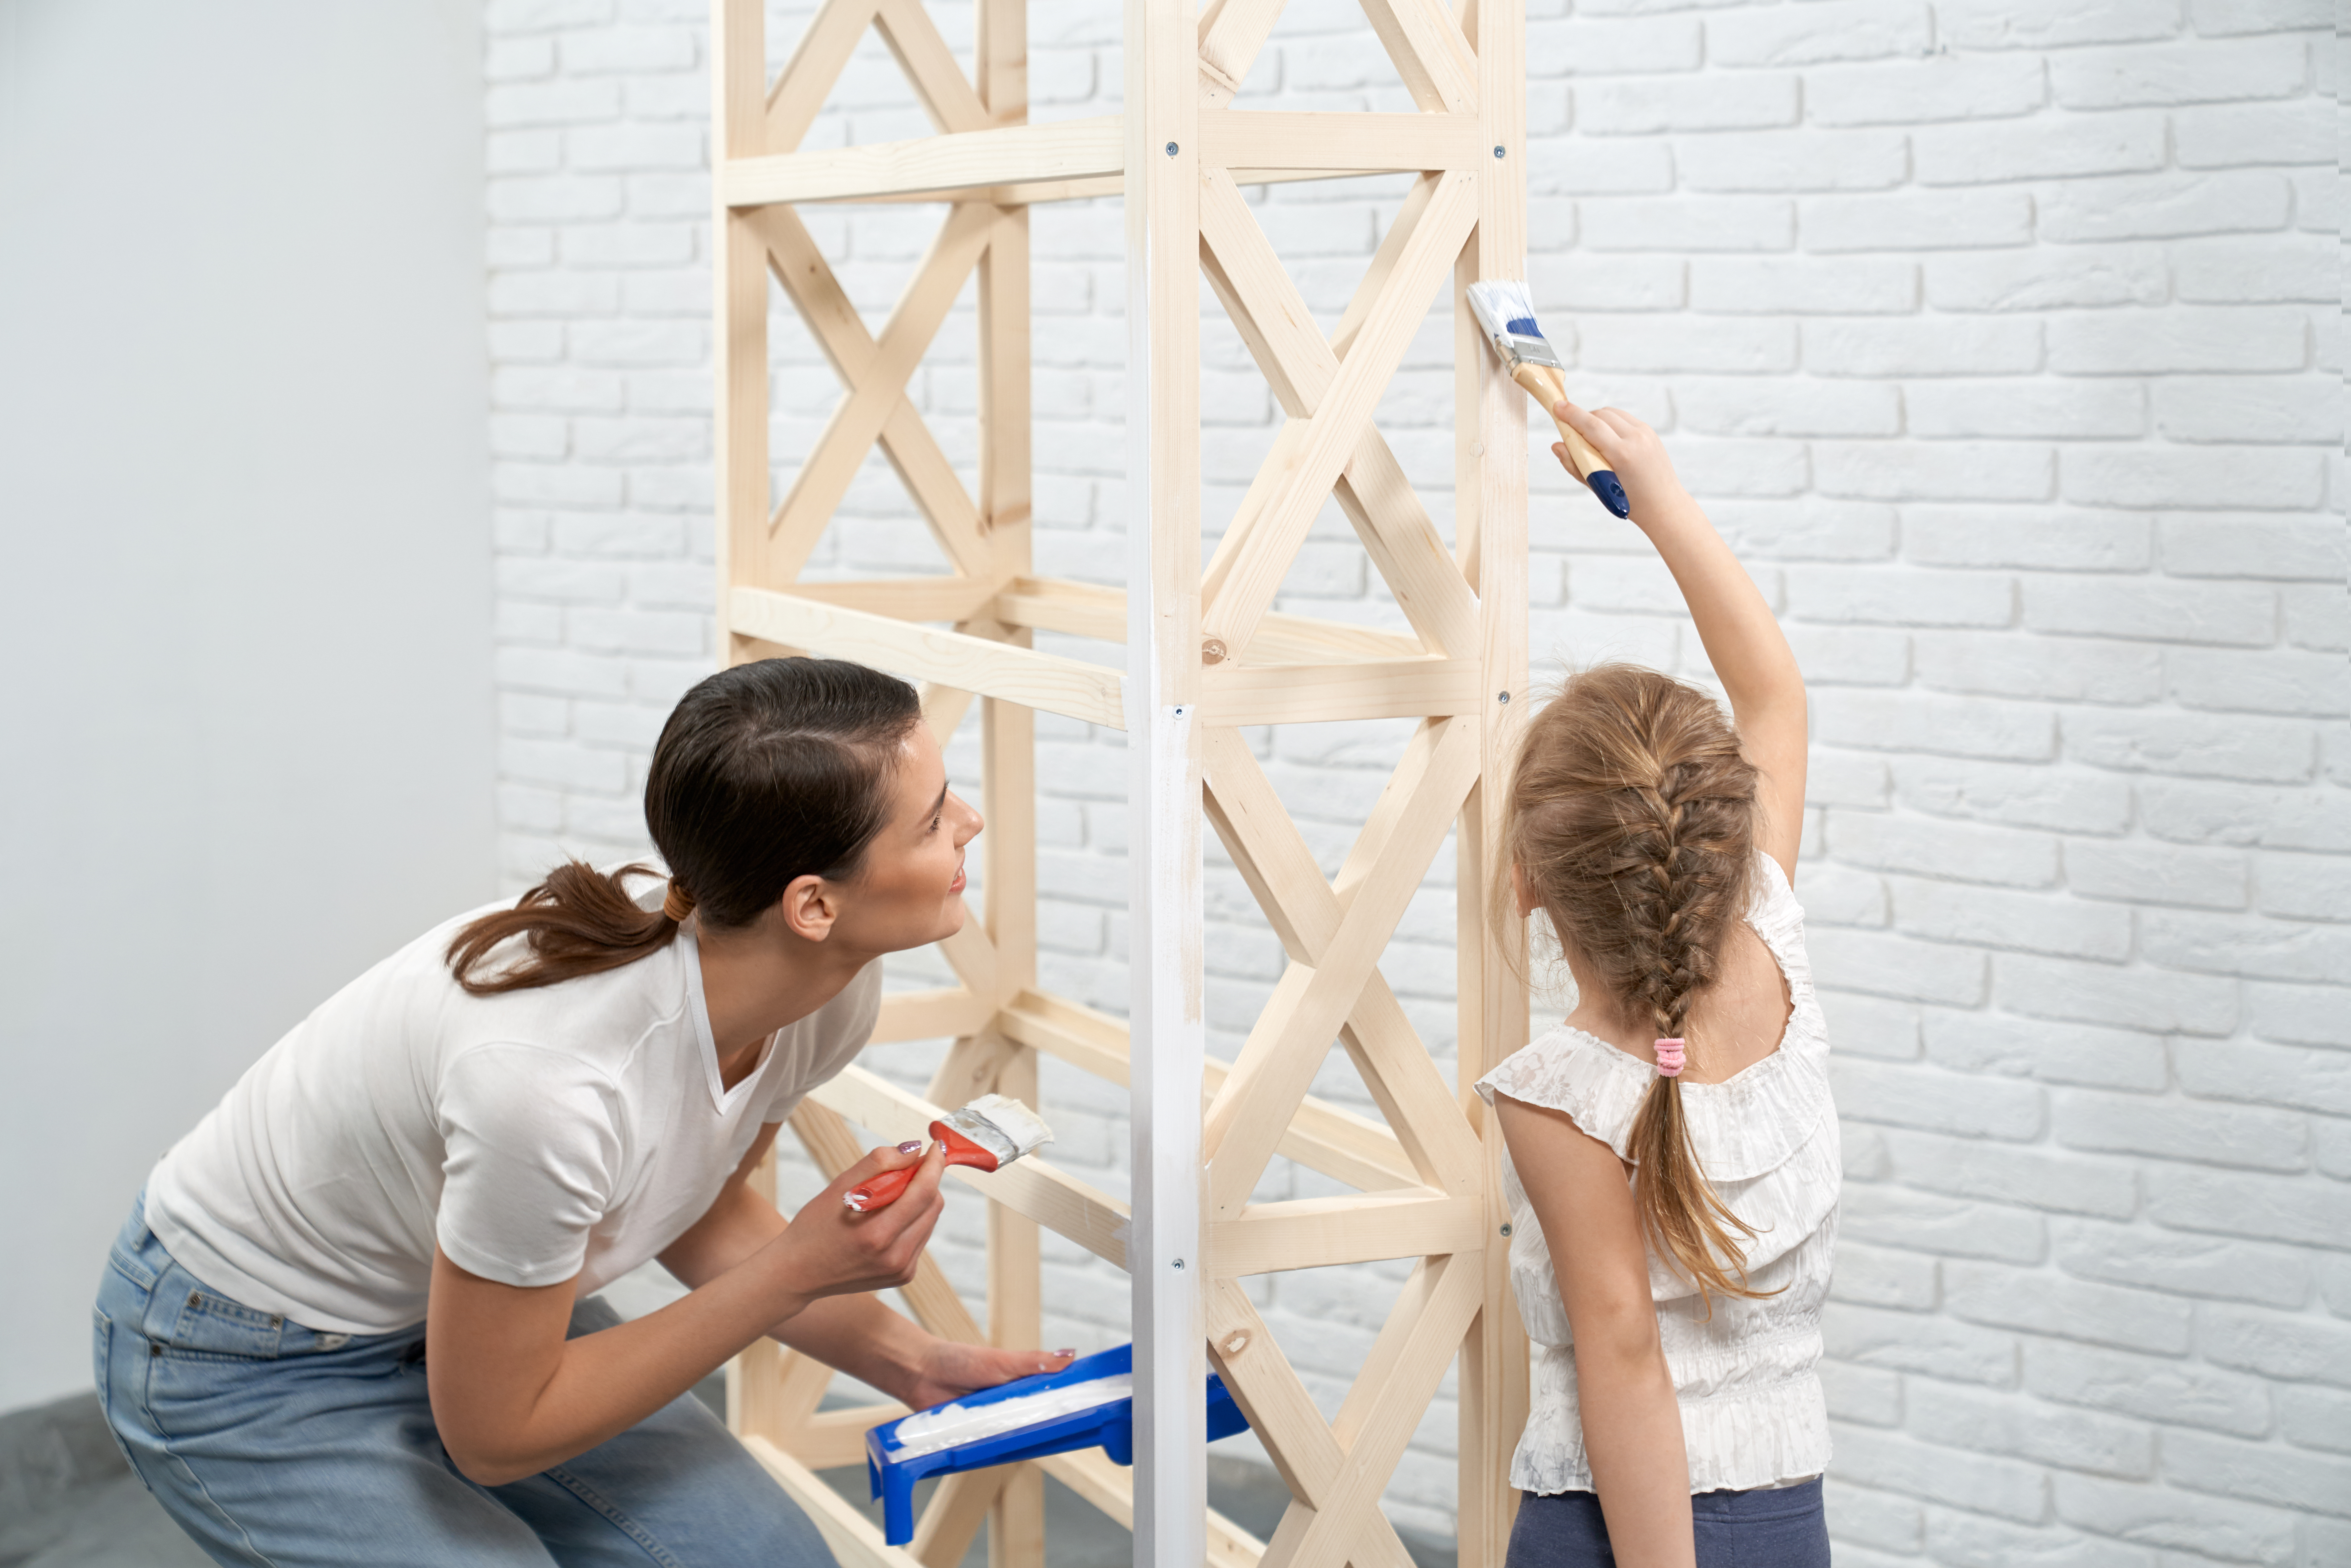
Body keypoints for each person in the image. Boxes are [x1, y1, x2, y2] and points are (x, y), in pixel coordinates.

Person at [93, 657, 1075, 1567]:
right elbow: (494, 1435)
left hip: (470, 1309)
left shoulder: (824, 992)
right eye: (933, 815)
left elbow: (704, 1208)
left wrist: (908, 1359)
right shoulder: (550, 1085)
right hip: (241, 1349)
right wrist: (795, 1271)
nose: (972, 821)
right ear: (812, 904)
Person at [1476, 401, 1836, 1568]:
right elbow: (1773, 694)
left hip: (1615, 1534)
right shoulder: (1771, 931)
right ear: (1722, 836)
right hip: (1785, 1518)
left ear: (1528, 879)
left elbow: (1622, 1353)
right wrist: (1658, 499)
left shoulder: (1557, 1094)